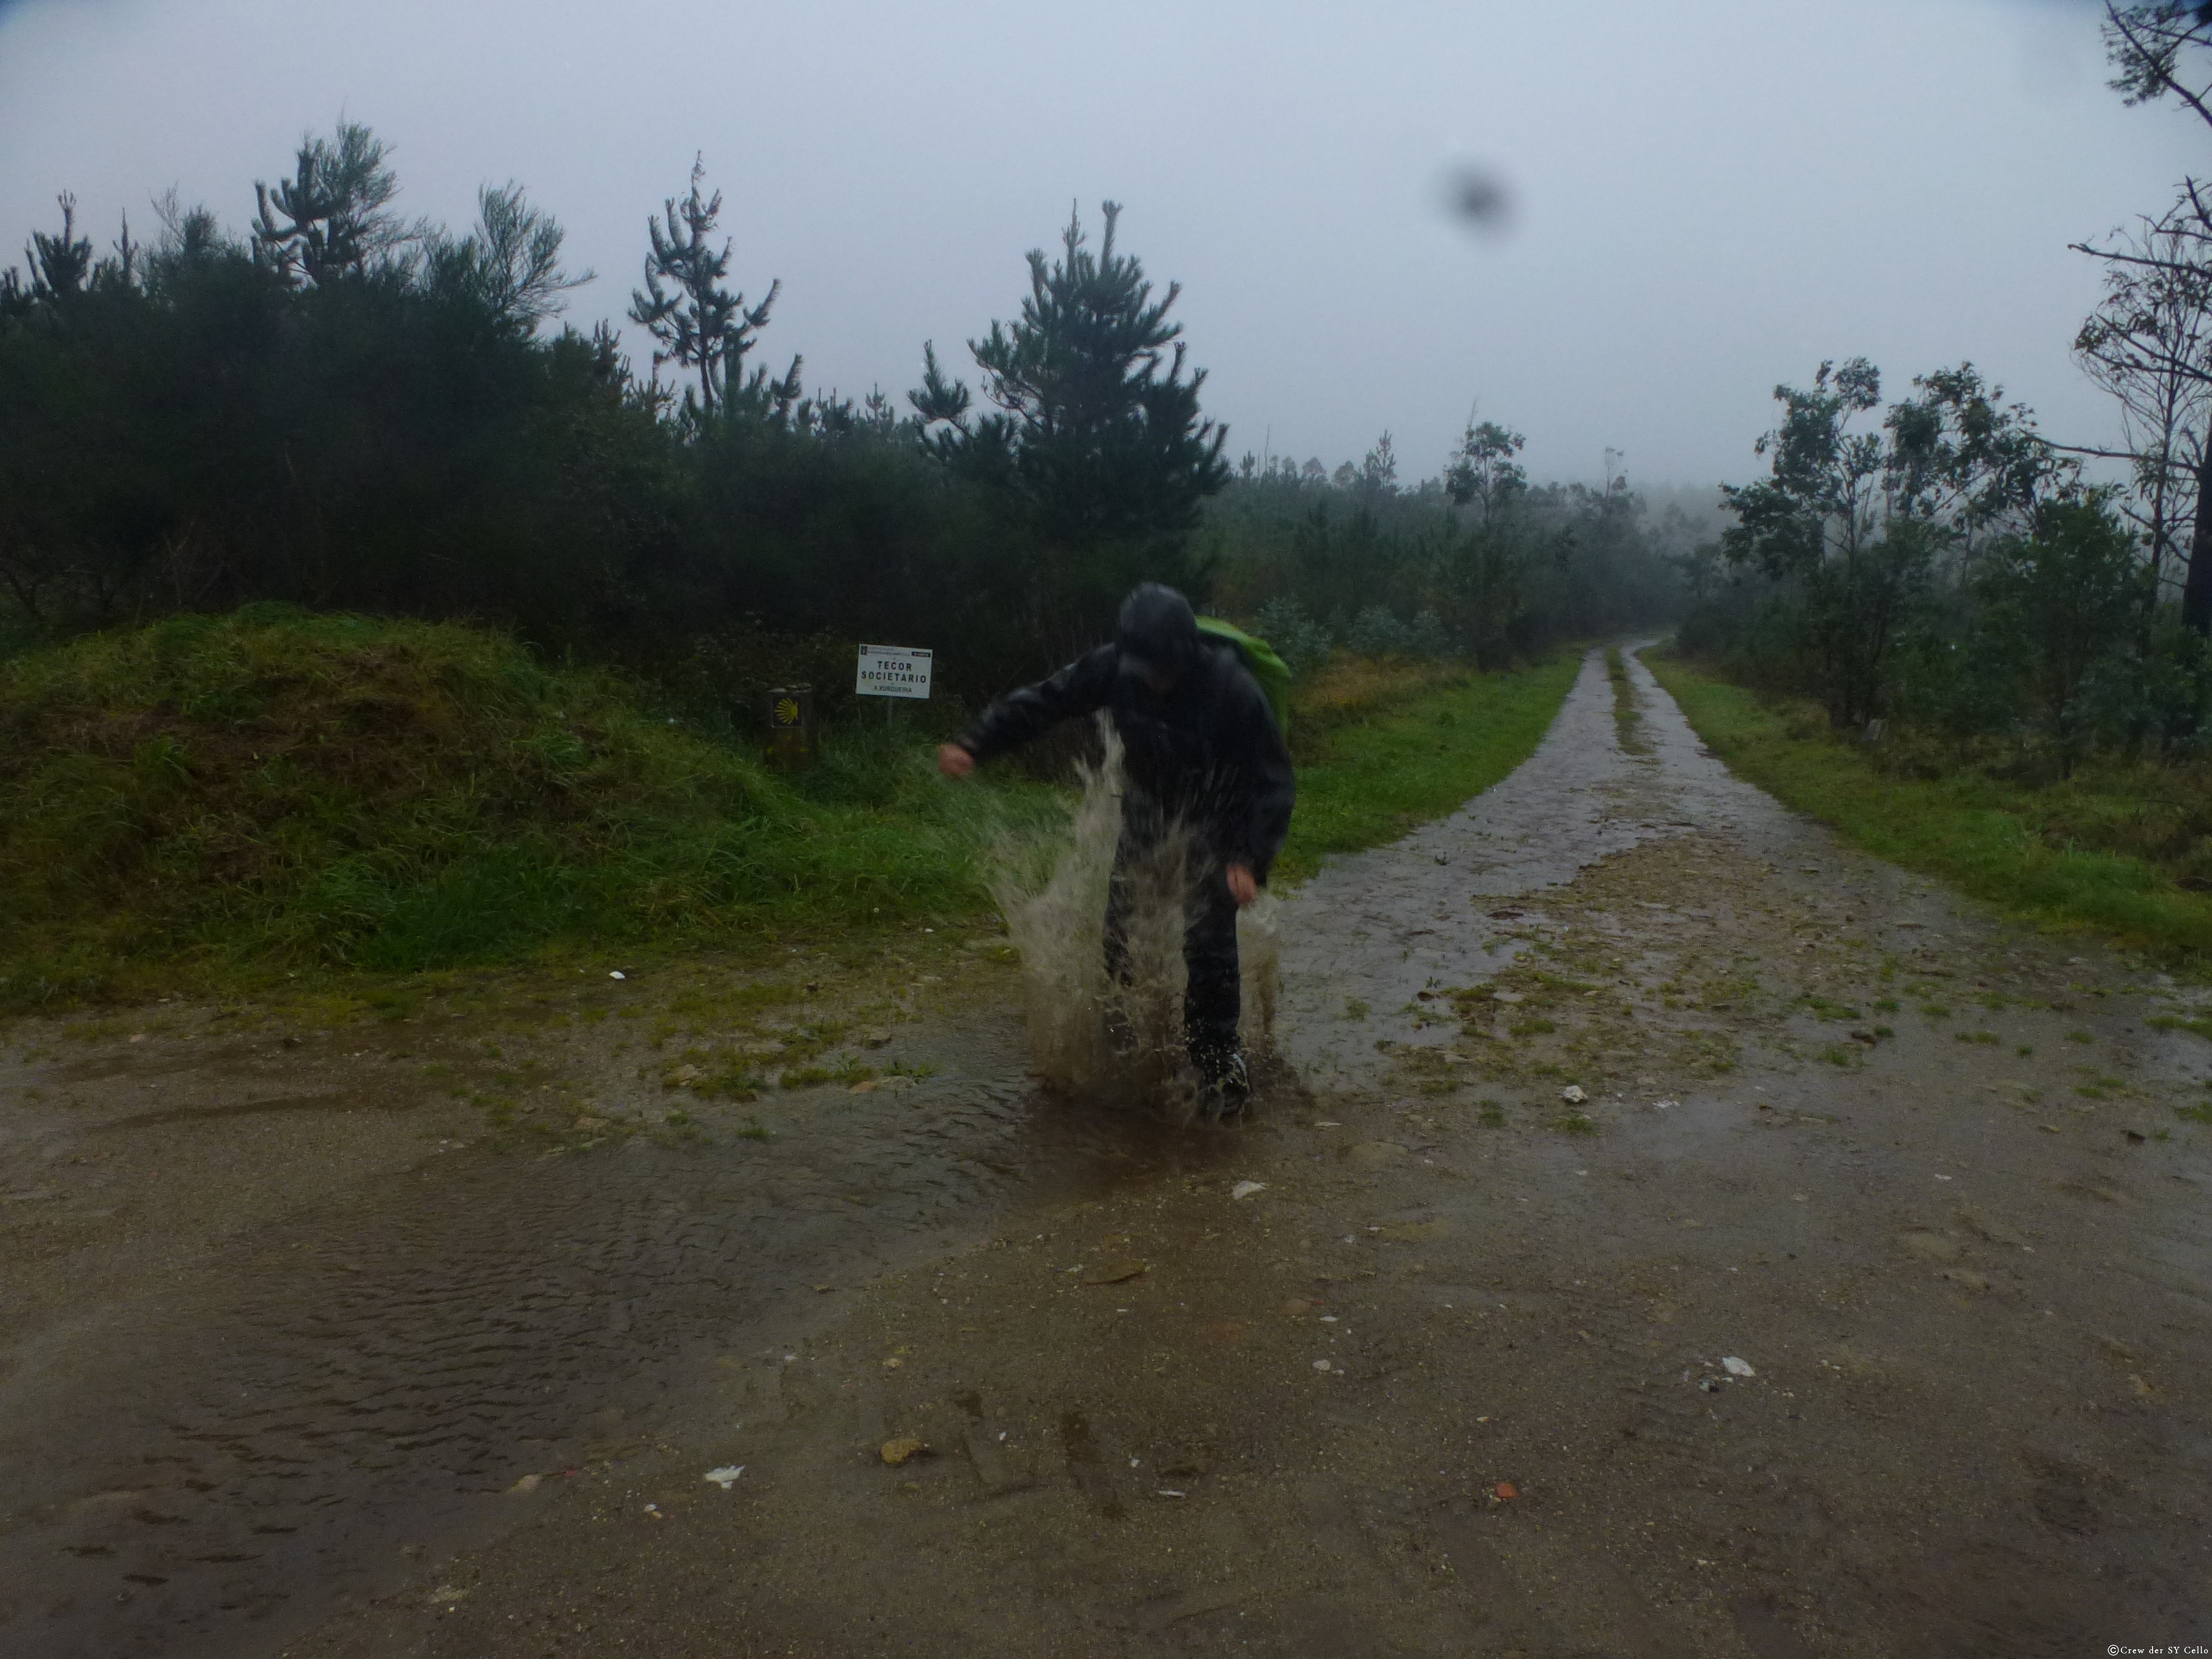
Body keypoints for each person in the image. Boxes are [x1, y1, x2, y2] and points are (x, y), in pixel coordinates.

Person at [938, 583, 1295, 1118]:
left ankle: (1219, 1062)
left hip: (1219, 823)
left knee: (1209, 944)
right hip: (1149, 811)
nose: (1151, 678)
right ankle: (1129, 1029)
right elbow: (1045, 701)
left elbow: (1272, 781)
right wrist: (976, 743)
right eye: (1143, 666)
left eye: (1161, 668)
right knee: (1120, 930)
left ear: (1184, 653)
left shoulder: (1232, 689)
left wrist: (1249, 858)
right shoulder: (1115, 668)